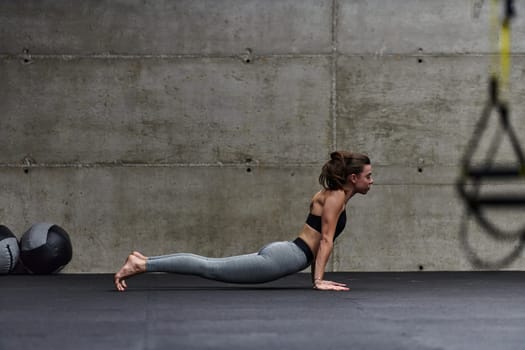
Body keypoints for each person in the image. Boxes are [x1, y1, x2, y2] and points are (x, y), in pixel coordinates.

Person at [114, 151, 373, 292]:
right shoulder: (336, 197)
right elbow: (326, 240)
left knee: (212, 266)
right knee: (211, 268)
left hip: (286, 252)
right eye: (368, 176)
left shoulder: (335, 195)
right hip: (286, 257)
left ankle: (145, 261)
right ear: (353, 178)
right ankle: (143, 263)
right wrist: (318, 281)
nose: (371, 181)